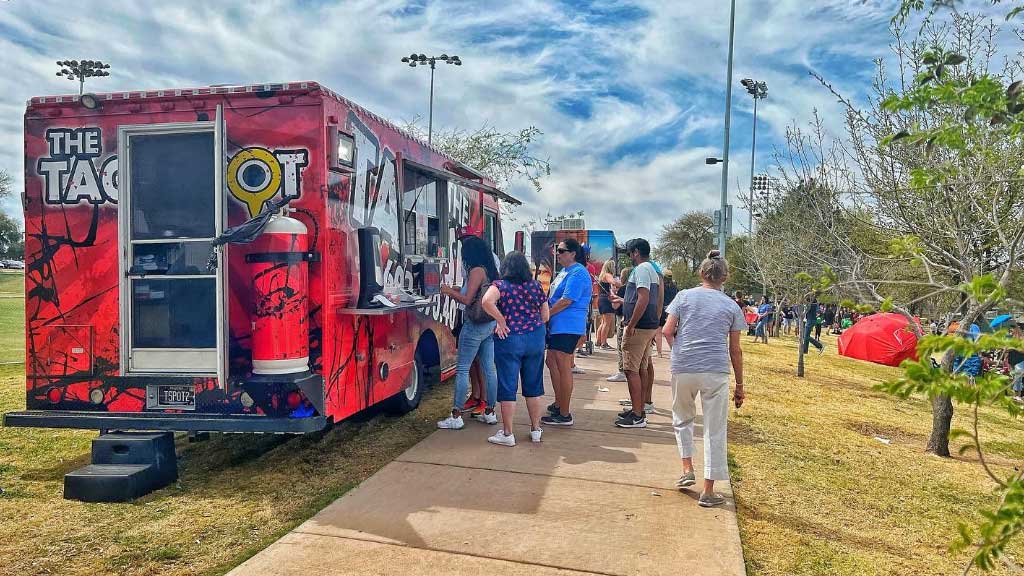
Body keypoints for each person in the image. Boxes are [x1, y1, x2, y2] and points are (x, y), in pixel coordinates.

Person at [662, 249, 746, 508]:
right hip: (715, 370)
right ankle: (708, 490)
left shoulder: (683, 297)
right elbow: (735, 349)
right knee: (714, 428)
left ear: (701, 273)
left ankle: (687, 467)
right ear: (726, 277)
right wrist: (740, 385)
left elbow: (667, 330)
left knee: (682, 419)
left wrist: (679, 349)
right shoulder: (731, 306)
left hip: (684, 366)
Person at [481, 252, 549, 446]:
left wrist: (501, 320)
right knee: (534, 386)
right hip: (535, 339)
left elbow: (486, 301)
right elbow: (546, 315)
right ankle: (536, 430)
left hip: (509, 339)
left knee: (508, 386)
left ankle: (508, 433)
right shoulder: (536, 286)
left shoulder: (500, 286)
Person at [438, 235, 500, 429]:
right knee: (489, 368)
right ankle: (490, 411)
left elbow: (466, 300)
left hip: (474, 324)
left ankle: (456, 415)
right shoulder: (490, 270)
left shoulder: (476, 271)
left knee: (463, 368)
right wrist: (459, 289)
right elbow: (474, 293)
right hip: (489, 323)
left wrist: (448, 291)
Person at [613, 238, 663, 428]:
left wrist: (631, 324)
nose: (628, 258)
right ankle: (638, 409)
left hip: (639, 326)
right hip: (648, 325)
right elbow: (646, 298)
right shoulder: (651, 269)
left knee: (630, 369)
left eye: (628, 253)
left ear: (635, 252)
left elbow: (643, 297)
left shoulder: (642, 269)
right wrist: (623, 300)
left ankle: (637, 415)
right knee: (640, 368)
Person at [543, 238, 592, 427]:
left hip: (568, 325)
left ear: (572, 253)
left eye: (561, 250)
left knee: (563, 365)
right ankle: (559, 402)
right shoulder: (565, 272)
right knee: (551, 361)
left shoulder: (578, 272)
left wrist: (546, 315)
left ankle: (564, 413)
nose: (558, 253)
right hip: (559, 325)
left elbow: (567, 300)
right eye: (557, 250)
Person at [606, 266, 632, 383]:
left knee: (621, 346)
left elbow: (615, 306)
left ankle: (622, 371)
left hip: (621, 318)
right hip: (631, 319)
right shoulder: (634, 288)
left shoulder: (622, 289)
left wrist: (612, 294)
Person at [655, 270, 679, 358]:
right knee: (671, 332)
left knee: (658, 331)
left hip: (661, 309)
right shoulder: (674, 287)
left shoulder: (660, 286)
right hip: (671, 311)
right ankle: (673, 351)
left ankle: (659, 352)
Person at [596, 259, 618, 351]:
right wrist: (623, 283)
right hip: (606, 299)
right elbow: (614, 282)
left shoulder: (602, 276)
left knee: (603, 322)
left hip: (601, 299)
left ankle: (599, 341)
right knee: (607, 323)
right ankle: (604, 343)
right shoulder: (608, 275)